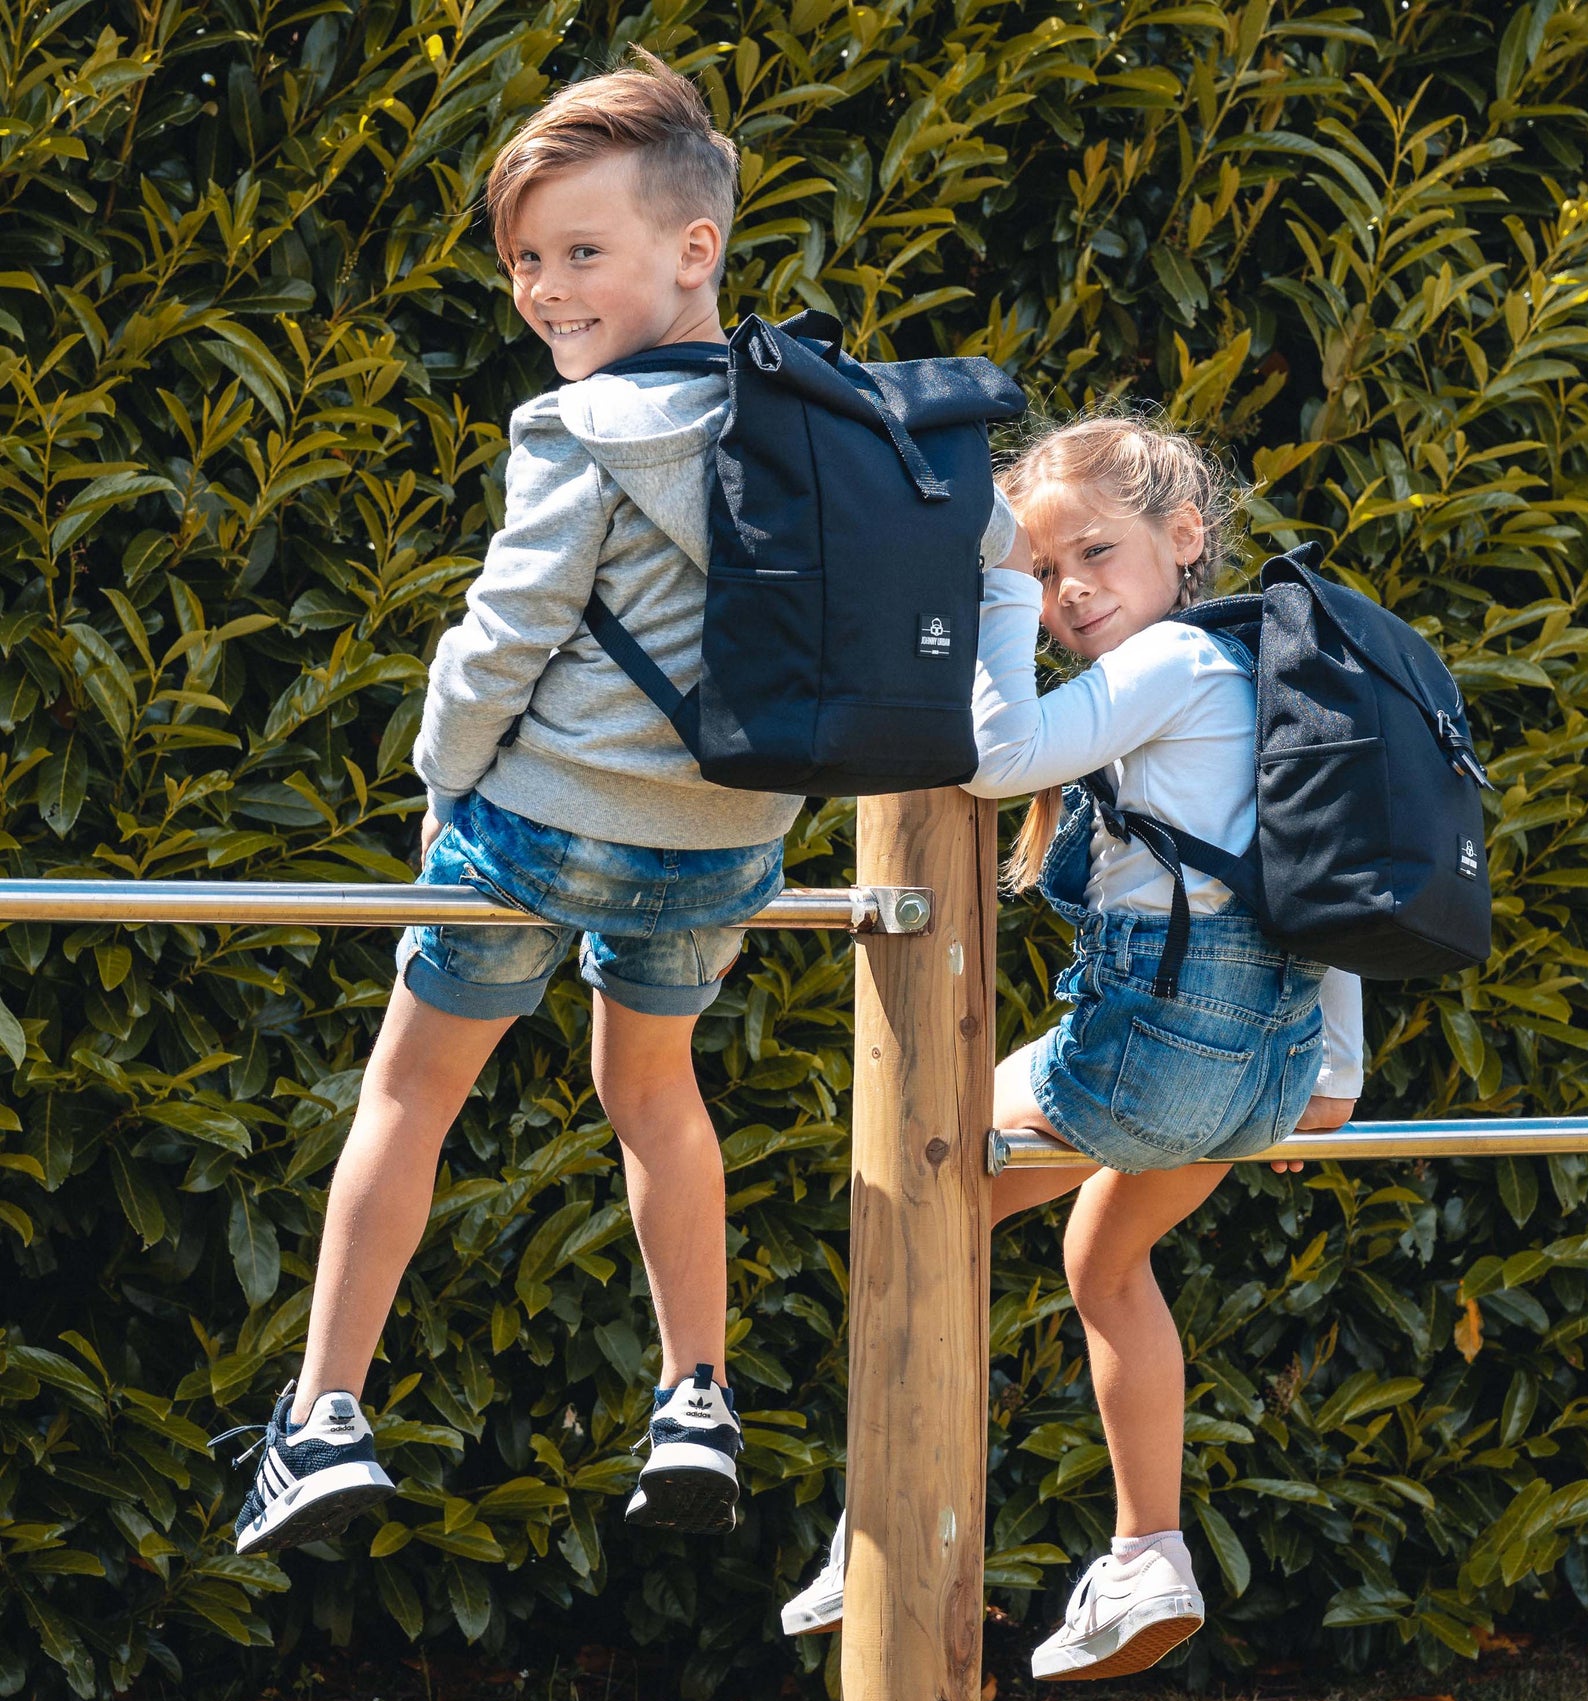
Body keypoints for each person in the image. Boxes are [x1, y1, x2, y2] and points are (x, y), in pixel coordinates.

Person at [213, 51, 1022, 1554]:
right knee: (654, 1094)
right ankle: (694, 1391)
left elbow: (501, 638)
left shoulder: (573, 432)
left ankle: (321, 1419)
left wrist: (440, 786)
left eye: (584, 253)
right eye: (527, 258)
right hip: (724, 851)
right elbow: (981, 543)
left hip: (533, 830)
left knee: (411, 1094)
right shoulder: (832, 421)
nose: (547, 288)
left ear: (693, 249)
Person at [781, 413, 1362, 1681]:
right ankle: (1149, 1552)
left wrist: (985, 583)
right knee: (1101, 1259)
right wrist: (1333, 1078)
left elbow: (998, 758)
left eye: (1092, 554)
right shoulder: (1262, 674)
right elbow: (1326, 883)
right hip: (1261, 1074)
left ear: (1185, 537)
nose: (1069, 593)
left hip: (1154, 1058)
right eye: (1042, 574)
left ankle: (878, 1529)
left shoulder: (1171, 672)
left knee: (909, 1192)